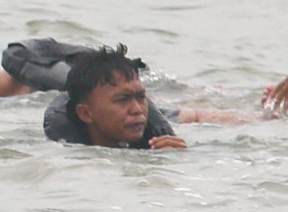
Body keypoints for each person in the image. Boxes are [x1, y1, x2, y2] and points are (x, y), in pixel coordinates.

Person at [40, 46, 185, 149]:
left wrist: (173, 157)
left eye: (141, 97)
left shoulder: (157, 136)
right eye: (122, 99)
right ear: (85, 113)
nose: (137, 109)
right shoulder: (61, 154)